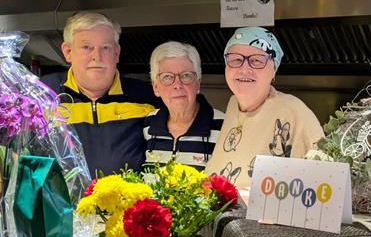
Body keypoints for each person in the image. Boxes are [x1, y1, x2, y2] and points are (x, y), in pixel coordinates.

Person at [41, 12, 161, 176]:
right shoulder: (42, 94)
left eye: (105, 48)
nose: (97, 57)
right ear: (68, 51)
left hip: (130, 201)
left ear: (116, 53)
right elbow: (14, 152)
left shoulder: (147, 97)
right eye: (86, 47)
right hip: (61, 202)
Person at [205, 27, 324, 190]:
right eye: (235, 59)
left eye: (257, 61)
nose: (244, 68)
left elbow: (319, 180)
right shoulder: (234, 104)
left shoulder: (292, 110)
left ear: (273, 70)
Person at [143, 41, 224, 171]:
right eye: (167, 77)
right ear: (155, 87)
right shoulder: (148, 124)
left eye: (186, 76)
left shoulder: (223, 126)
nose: (178, 85)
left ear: (198, 83)